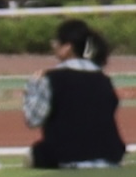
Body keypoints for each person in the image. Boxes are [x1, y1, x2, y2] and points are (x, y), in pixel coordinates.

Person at [23, 21, 124, 169]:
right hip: (109, 155)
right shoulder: (104, 80)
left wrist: (33, 86)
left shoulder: (51, 79)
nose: (53, 45)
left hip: (66, 156)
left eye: (56, 41)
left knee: (35, 154)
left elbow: (33, 120)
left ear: (67, 48)